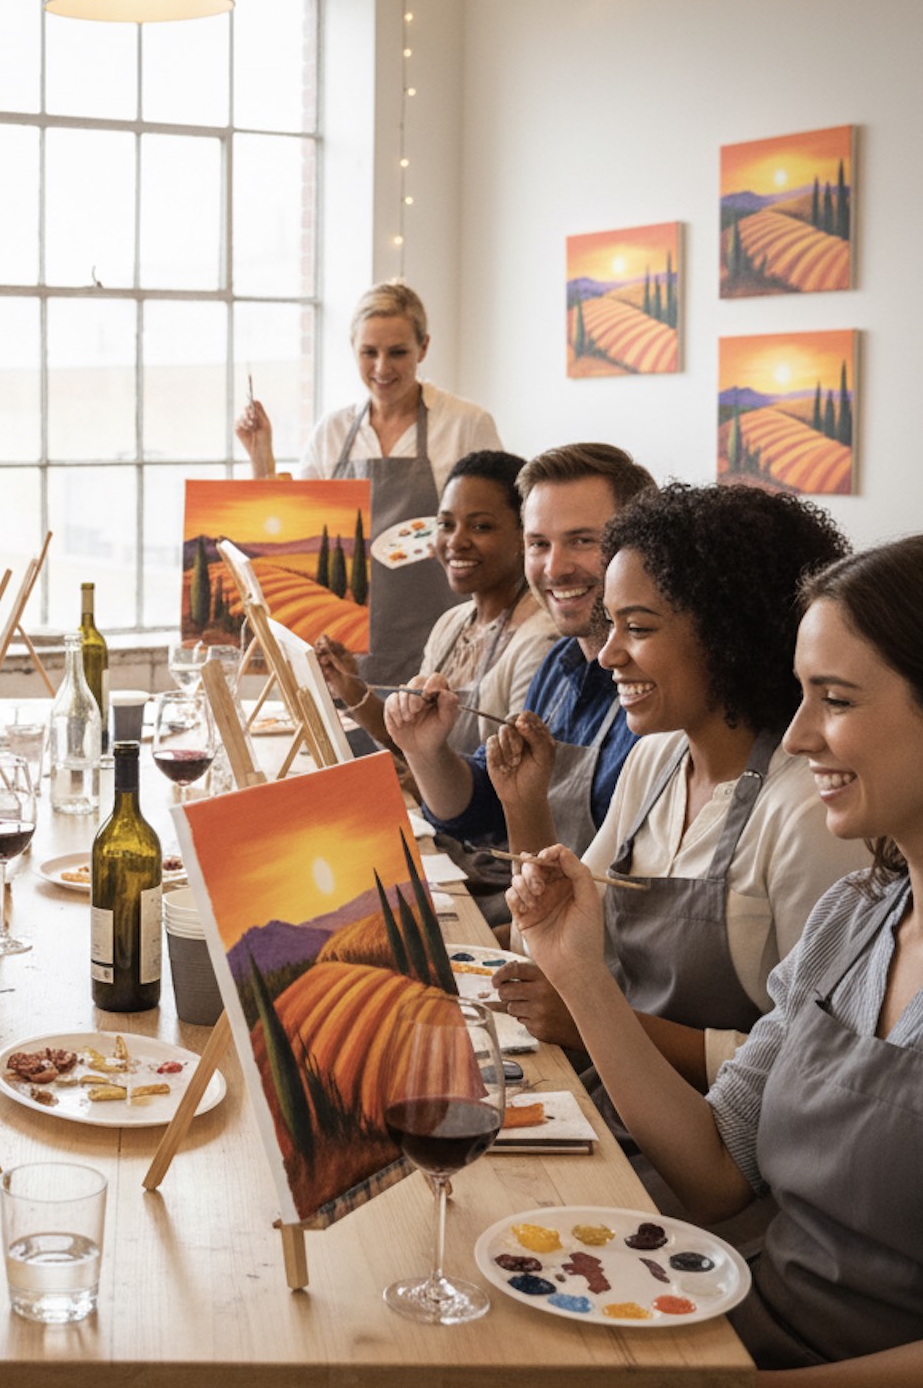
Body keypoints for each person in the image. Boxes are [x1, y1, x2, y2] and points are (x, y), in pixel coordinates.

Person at [508, 535, 923, 1375]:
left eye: (834, 699)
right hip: (746, 1320)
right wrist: (579, 972)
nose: (801, 736)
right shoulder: (854, 921)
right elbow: (717, 1172)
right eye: (802, 695)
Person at [490, 483, 860, 1095]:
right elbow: (557, 945)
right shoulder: (655, 759)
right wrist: (524, 817)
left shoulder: (807, 811)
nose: (608, 654)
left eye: (637, 628)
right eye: (610, 624)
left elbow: (810, 1068)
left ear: (728, 635)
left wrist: (595, 1020)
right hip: (622, 1107)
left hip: (730, 1151)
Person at [386, 442, 652, 865]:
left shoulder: (654, 691)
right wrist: (425, 750)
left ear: (639, 547)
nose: (554, 568)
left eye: (582, 540)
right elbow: (484, 806)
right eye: (539, 544)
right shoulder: (559, 664)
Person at [235, 282, 501, 685]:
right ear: (353, 349)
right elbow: (295, 529)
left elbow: (503, 525)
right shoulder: (334, 431)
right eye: (369, 353)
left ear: (423, 348)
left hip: (443, 634)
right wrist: (260, 454)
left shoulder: (465, 423)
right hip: (346, 644)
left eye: (398, 352)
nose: (382, 368)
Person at [316, 449, 556, 756]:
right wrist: (350, 687)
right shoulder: (452, 624)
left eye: (481, 526)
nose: (456, 541)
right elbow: (413, 745)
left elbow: (519, 775)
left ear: (525, 535)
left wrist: (419, 785)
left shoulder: (540, 641)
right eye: (446, 524)